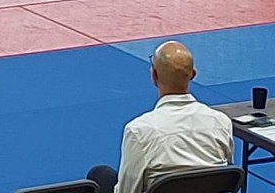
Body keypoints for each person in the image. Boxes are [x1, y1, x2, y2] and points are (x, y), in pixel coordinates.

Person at [86, 41, 233, 193]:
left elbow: (127, 191)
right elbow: (224, 177)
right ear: (193, 75)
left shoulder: (140, 131)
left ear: (154, 76)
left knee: (99, 174)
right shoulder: (221, 122)